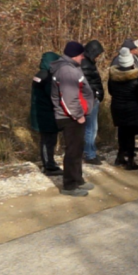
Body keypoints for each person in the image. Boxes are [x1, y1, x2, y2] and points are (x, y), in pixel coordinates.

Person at [50, 41, 95, 196]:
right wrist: (78, 115)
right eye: (81, 54)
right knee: (73, 151)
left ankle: (78, 179)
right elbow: (68, 98)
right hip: (70, 117)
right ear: (75, 55)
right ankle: (69, 185)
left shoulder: (71, 67)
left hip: (74, 115)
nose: (83, 57)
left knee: (77, 150)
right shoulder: (67, 71)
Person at [109, 48, 138, 170]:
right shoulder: (136, 79)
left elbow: (111, 91)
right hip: (133, 109)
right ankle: (130, 161)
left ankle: (120, 156)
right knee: (130, 135)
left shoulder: (113, 76)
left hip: (117, 108)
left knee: (122, 132)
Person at [30, 51, 62, 175]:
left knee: (48, 140)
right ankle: (49, 166)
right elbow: (53, 95)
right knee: (48, 140)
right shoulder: (46, 77)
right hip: (45, 113)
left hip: (42, 112)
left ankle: (50, 162)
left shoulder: (40, 74)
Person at [81, 40, 105, 165]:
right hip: (90, 100)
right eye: (97, 54)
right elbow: (86, 83)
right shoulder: (85, 64)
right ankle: (89, 154)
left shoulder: (88, 62)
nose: (98, 57)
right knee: (91, 128)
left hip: (91, 98)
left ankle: (91, 151)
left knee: (91, 128)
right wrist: (96, 93)